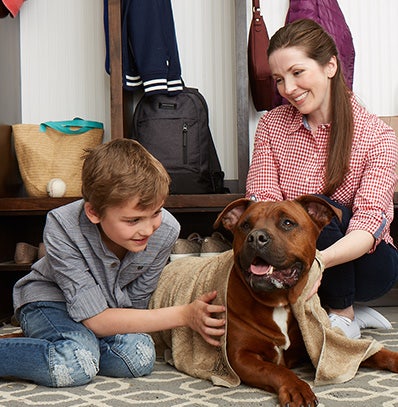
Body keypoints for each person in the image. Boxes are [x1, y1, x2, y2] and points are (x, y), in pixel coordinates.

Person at [0, 139, 225, 387]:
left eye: (156, 212)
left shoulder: (167, 230)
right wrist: (184, 314)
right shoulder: (62, 226)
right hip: (51, 301)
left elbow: (135, 308)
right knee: (74, 364)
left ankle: (69, 345)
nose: (148, 228)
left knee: (139, 357)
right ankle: (63, 344)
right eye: (133, 220)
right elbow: (96, 320)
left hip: (106, 312)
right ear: (94, 213)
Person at [246, 19, 398, 339]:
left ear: (330, 66)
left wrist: (319, 261)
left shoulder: (378, 136)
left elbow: (370, 223)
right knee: (298, 215)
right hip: (293, 255)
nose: (287, 89)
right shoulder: (271, 126)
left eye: (297, 73)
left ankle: (342, 313)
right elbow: (263, 202)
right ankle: (345, 309)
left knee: (318, 209)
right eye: (279, 79)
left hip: (367, 265)